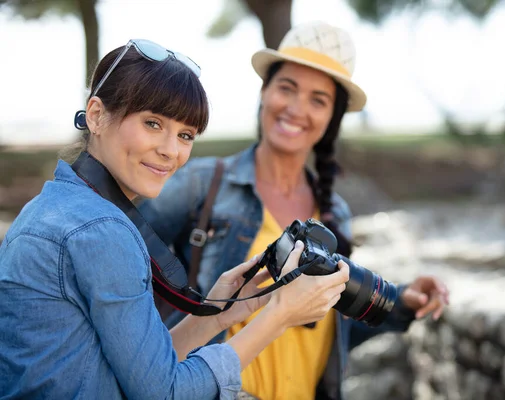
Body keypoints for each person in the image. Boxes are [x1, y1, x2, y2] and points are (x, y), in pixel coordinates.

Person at [0, 39, 351, 400]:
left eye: (185, 135)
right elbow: (166, 393)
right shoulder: (101, 230)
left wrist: (216, 314)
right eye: (153, 123)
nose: (171, 151)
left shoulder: (59, 204)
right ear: (96, 115)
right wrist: (277, 316)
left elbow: (144, 374)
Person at [139, 22, 450, 400]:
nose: (297, 108)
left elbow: (328, 329)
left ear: (332, 117)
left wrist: (400, 302)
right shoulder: (202, 185)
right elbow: (117, 256)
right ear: (264, 92)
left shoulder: (334, 211)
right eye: (287, 88)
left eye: (318, 99)